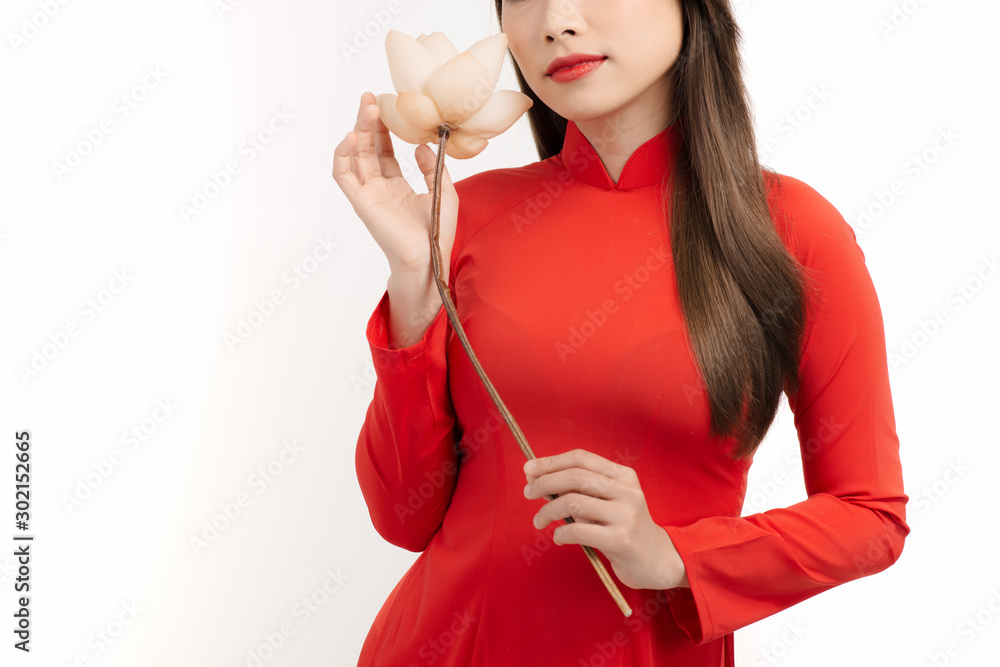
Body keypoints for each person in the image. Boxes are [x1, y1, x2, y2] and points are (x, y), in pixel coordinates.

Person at [332, 1, 910, 664]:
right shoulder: (466, 215)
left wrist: (674, 554)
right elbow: (402, 517)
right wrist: (415, 281)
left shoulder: (791, 233)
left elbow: (871, 519)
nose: (555, 20)